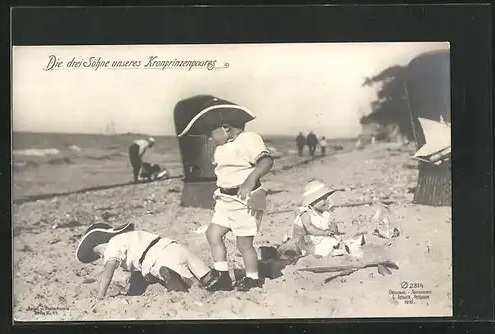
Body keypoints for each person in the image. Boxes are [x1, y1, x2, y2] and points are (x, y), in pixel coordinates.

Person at [177, 96, 274, 291]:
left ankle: (252, 278)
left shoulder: (249, 139)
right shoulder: (221, 147)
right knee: (212, 234)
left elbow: (266, 161)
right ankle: (222, 275)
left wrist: (250, 179)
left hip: (245, 200)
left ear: (226, 128)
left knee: (243, 243)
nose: (210, 139)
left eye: (211, 134)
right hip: (225, 199)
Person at [75, 222, 220, 299]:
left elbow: (108, 270)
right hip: (173, 247)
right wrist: (131, 290)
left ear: (100, 242)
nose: (102, 257)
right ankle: (236, 274)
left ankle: (176, 280)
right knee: (212, 278)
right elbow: (136, 277)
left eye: (99, 254)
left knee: (192, 286)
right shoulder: (131, 237)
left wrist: (101, 295)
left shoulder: (112, 244)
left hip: (157, 260)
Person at [280, 180, 365, 257]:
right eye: (322, 199)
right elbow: (310, 228)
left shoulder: (322, 212)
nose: (326, 201)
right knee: (324, 246)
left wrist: (332, 227)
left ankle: (348, 245)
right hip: (310, 242)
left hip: (320, 237)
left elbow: (327, 223)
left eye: (326, 198)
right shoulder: (306, 214)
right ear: (312, 201)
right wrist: (324, 232)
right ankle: (336, 252)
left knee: (334, 239)